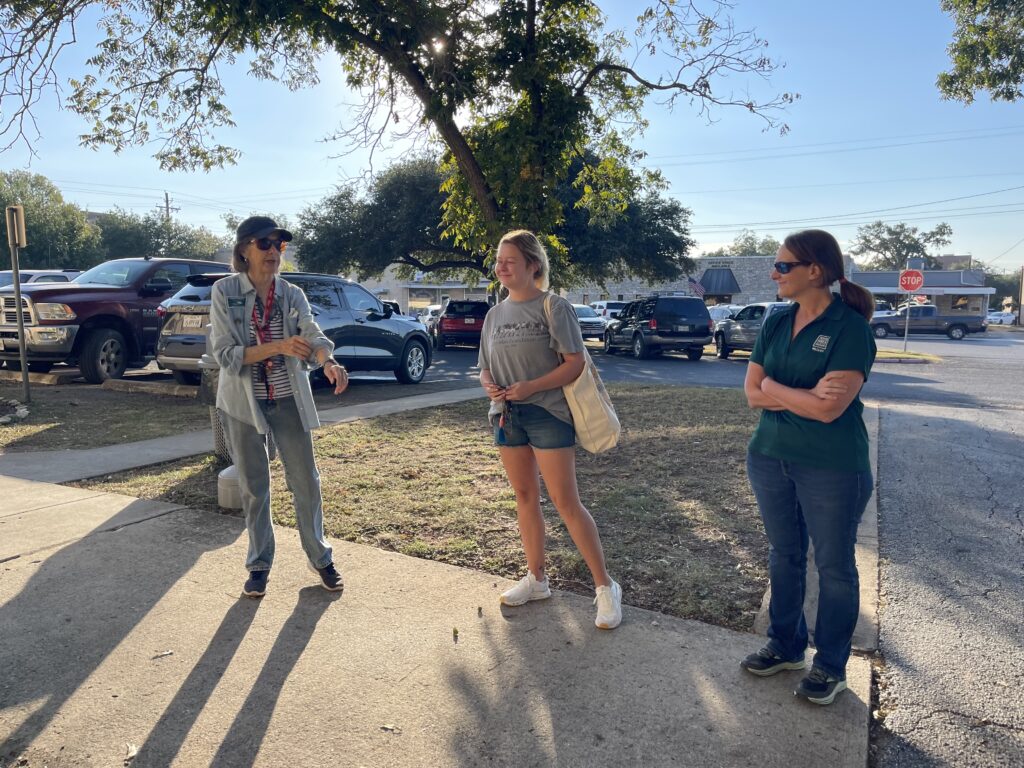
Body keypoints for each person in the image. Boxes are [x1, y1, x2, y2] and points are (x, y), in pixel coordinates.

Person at [739, 229, 877, 705]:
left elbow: (828, 410)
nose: (773, 274)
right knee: (784, 555)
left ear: (814, 271)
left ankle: (830, 667)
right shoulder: (776, 320)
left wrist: (775, 388)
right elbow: (751, 393)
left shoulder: (850, 328)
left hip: (832, 467)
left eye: (781, 266)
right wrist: (790, 391)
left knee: (834, 566)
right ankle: (785, 644)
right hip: (769, 457)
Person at [478, 229, 622, 629]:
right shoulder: (494, 314)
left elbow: (574, 363)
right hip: (507, 415)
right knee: (525, 497)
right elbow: (484, 365)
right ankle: (537, 579)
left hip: (547, 413)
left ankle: (605, 588)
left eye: (509, 260)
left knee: (565, 502)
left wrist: (531, 386)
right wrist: (488, 383)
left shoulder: (553, 307)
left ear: (532, 266)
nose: (501, 267)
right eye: (499, 260)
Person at [209, 216, 350, 598]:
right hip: (242, 403)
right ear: (244, 250)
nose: (273, 251)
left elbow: (311, 332)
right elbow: (225, 354)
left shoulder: (291, 294)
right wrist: (279, 347)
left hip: (287, 398)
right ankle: (259, 565)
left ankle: (320, 558)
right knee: (254, 487)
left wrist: (327, 361)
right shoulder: (224, 292)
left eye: (279, 245)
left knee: (306, 481)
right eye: (264, 244)